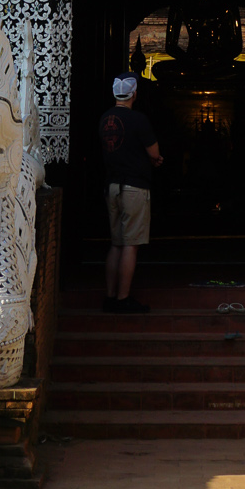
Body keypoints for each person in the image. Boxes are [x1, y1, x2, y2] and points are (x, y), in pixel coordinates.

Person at [98, 74, 161, 314]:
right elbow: (154, 153)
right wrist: (155, 160)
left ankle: (110, 296)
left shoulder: (105, 118)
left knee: (116, 243)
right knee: (130, 245)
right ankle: (123, 298)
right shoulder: (138, 119)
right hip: (134, 187)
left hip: (112, 185)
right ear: (134, 94)